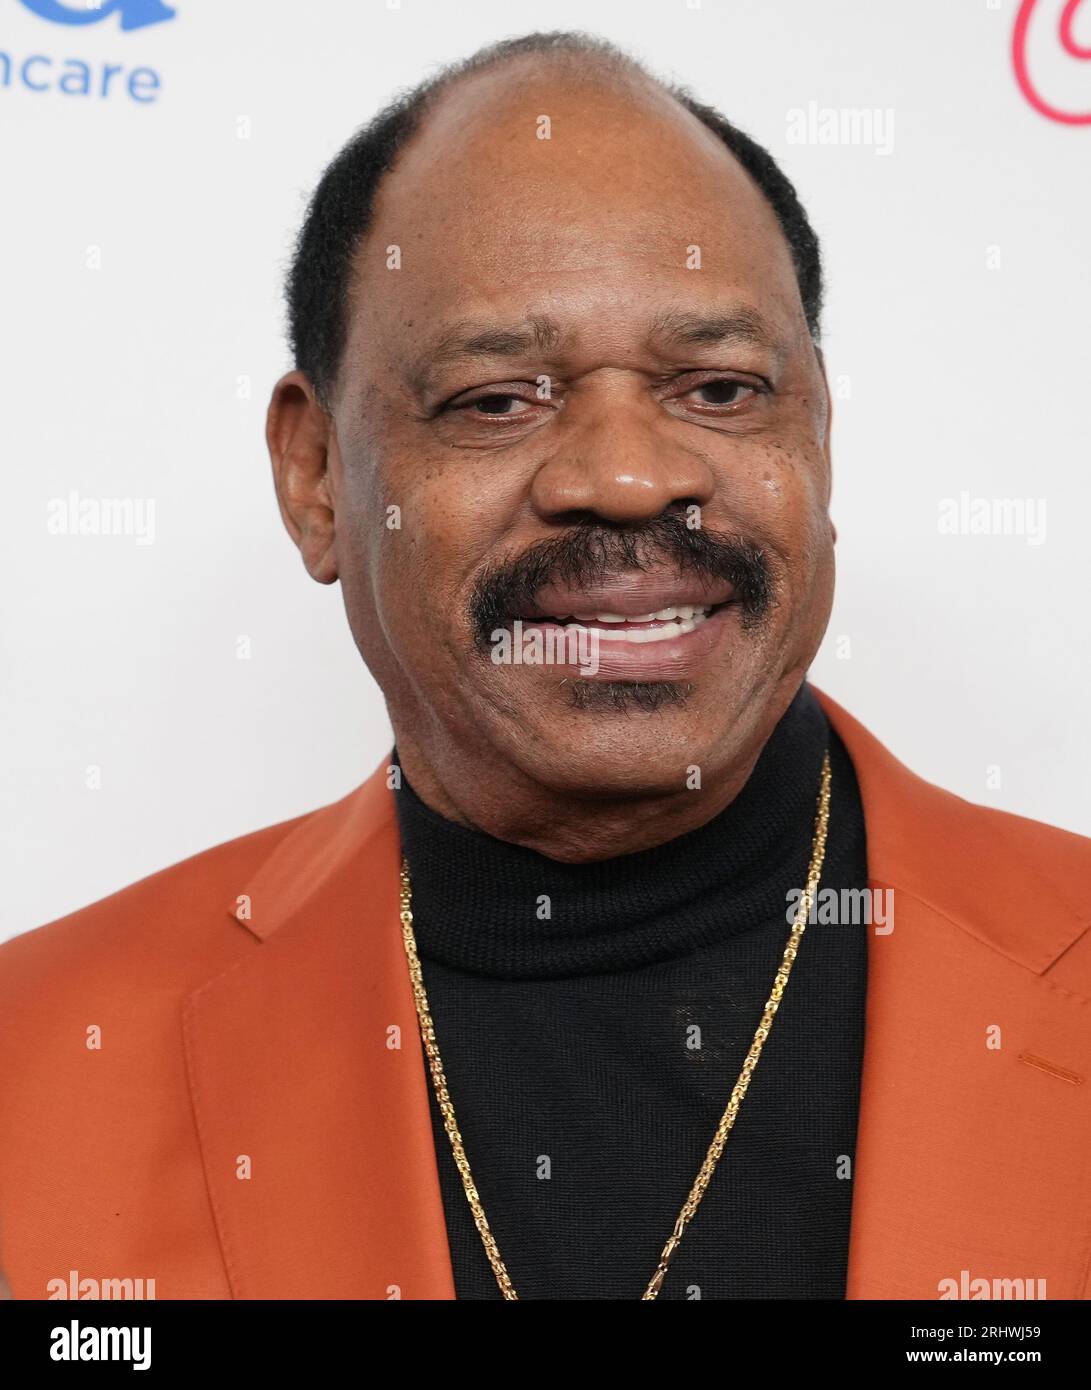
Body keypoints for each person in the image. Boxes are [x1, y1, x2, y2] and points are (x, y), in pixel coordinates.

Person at [2, 31, 1088, 1302]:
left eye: (721, 391)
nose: (627, 478)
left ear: (821, 434)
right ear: (314, 481)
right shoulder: (37, 1056)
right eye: (497, 398)